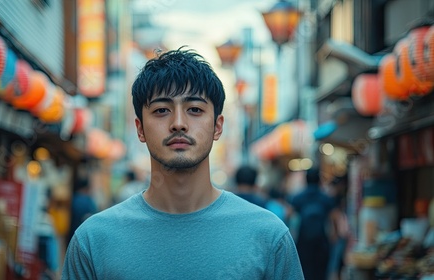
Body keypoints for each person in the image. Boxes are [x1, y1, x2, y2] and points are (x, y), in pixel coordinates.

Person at [62, 47, 304, 279]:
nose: (178, 123)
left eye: (195, 109)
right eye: (161, 111)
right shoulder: (93, 240)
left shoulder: (268, 236)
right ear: (140, 129)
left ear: (217, 127)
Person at [290, 167, 336, 280]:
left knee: (305, 271)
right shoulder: (326, 198)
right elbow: (334, 218)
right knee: (321, 272)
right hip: (322, 241)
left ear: (306, 180)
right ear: (319, 180)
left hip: (303, 241)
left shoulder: (297, 198)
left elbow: (289, 217)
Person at [66, 178, 98, 245]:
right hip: (85, 234)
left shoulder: (74, 199)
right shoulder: (88, 201)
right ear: (86, 188)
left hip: (73, 232)